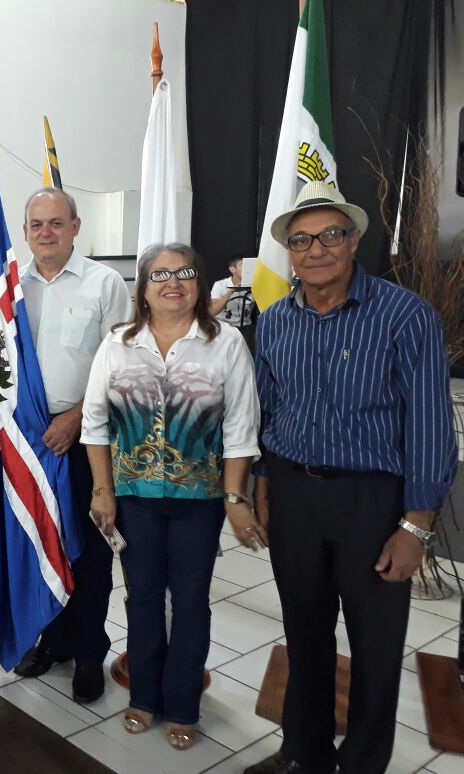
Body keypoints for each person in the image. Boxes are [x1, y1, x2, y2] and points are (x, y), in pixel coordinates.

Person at [245, 182, 458, 774]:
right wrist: (264, 484)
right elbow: (269, 411)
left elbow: (431, 427)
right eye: (302, 239)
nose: (316, 249)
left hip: (373, 504)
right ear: (289, 251)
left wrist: (416, 526)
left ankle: (362, 763)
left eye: (331, 235)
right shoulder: (275, 321)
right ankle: (303, 753)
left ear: (355, 240)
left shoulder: (405, 315)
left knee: (375, 645)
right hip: (293, 495)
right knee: (304, 631)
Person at [82, 243, 263, 750]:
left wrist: (234, 497)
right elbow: (95, 426)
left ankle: (183, 703)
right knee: (140, 600)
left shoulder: (225, 343)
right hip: (132, 498)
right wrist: (103, 491)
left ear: (199, 283)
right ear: (141, 289)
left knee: (190, 604)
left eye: (185, 272)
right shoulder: (118, 343)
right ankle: (144, 694)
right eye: (159, 274)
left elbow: (241, 428)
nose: (173, 282)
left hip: (198, 503)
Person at [12, 187, 132, 703]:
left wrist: (76, 417)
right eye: (36, 224)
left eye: (56, 223)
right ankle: (52, 639)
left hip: (86, 442)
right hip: (29, 441)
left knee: (88, 556)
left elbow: (121, 366)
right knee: (38, 544)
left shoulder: (105, 284)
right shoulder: (13, 288)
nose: (46, 232)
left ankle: (88, 652)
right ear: (25, 232)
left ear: (76, 227)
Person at [209, 256, 254, 327]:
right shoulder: (220, 284)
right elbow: (212, 311)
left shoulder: (255, 285)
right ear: (232, 269)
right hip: (224, 327)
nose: (247, 268)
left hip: (246, 326)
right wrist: (230, 292)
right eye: (242, 264)